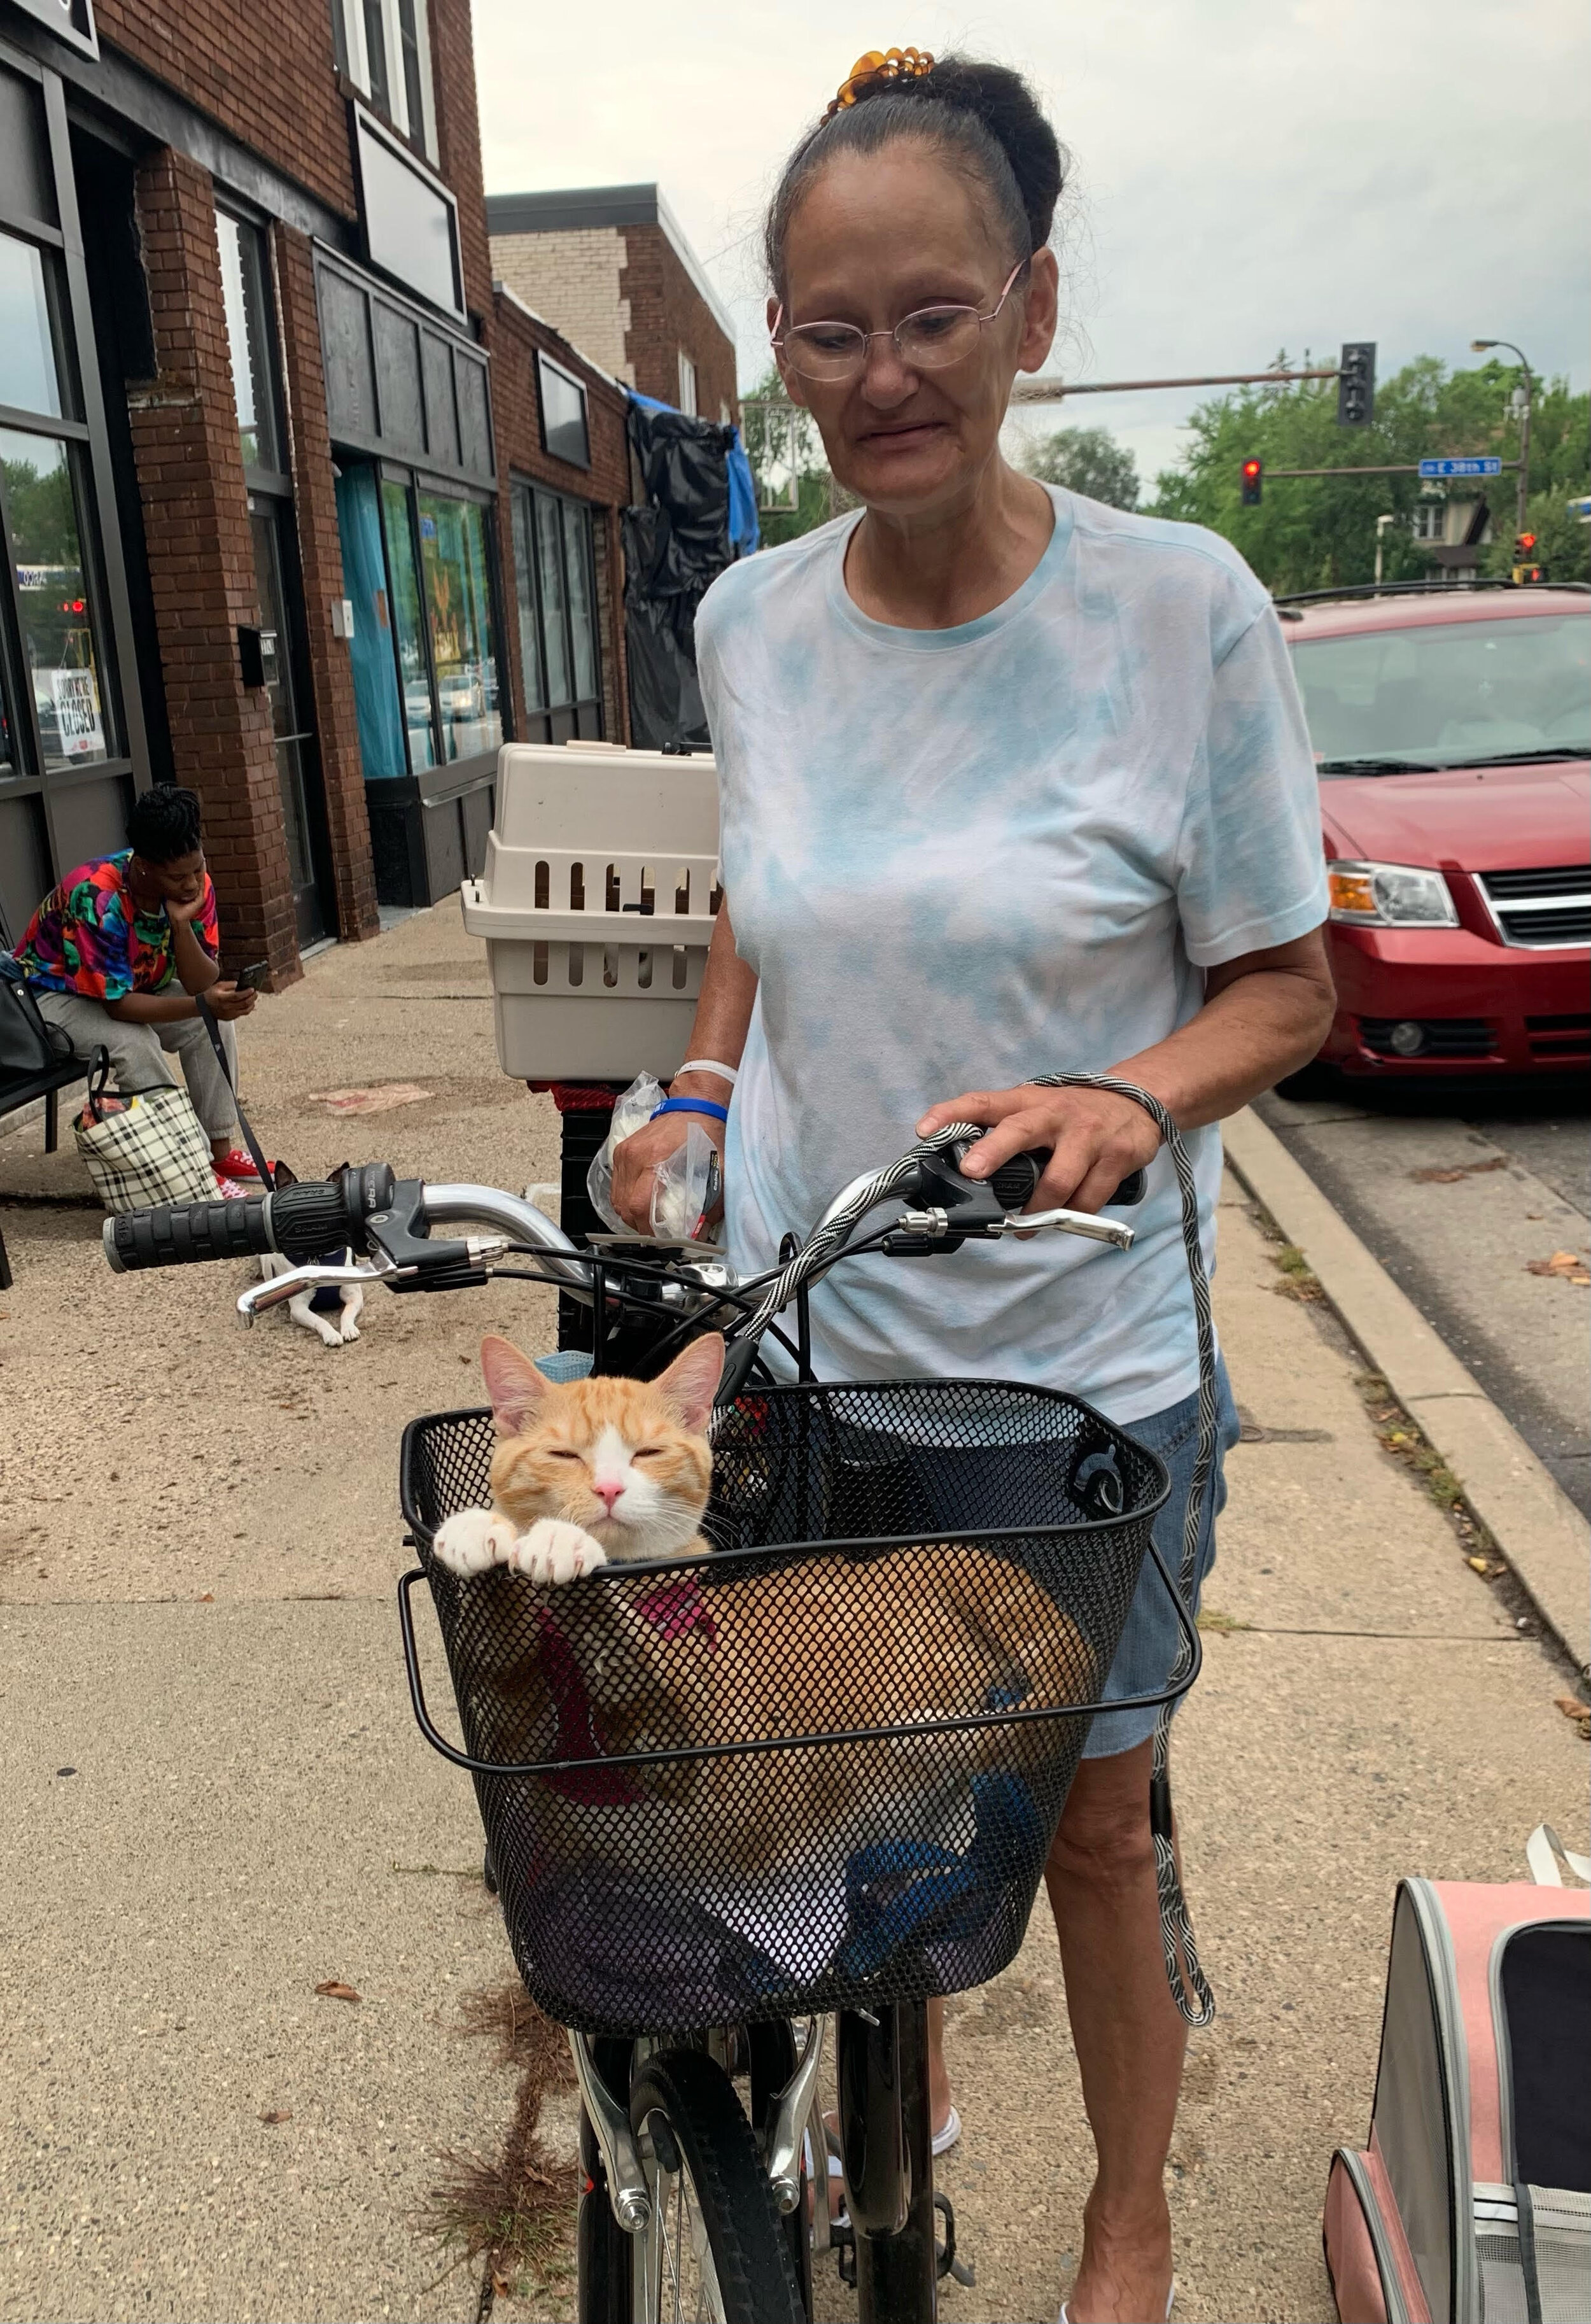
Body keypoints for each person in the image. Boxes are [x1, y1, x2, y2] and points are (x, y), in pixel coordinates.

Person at [612, 48, 1333, 2324]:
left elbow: (1285, 985)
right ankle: (895, 2110)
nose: (882, 374)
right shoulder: (753, 621)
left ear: (1028, 309)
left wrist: (1134, 1093)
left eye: (931, 315)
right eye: (830, 332)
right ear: (783, 346)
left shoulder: (1176, 610)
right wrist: (702, 1096)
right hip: (819, 1344)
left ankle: (1123, 2215)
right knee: (849, 1811)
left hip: (1074, 1365)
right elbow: (764, 889)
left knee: (1090, 1816)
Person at [10, 784, 261, 1190]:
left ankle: (218, 1152)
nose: (192, 884)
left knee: (212, 1024)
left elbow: (201, 982)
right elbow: (119, 1008)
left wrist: (181, 926)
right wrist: (202, 1004)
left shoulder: (195, 884)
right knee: (134, 1042)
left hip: (135, 986)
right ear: (143, 867)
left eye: (198, 869)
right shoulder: (96, 895)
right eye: (178, 877)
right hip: (50, 999)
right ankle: (189, 1168)